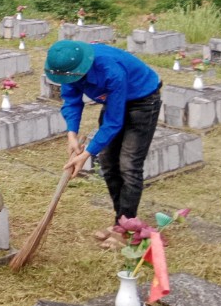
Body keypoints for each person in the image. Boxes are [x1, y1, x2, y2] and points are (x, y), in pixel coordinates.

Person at [52, 40, 163, 247]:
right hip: (115, 99)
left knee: (129, 165)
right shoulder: (68, 68)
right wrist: (71, 134)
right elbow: (71, 101)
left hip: (143, 100)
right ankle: (120, 221)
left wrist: (86, 155)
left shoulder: (110, 69)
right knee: (108, 163)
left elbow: (113, 122)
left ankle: (125, 229)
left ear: (83, 68)